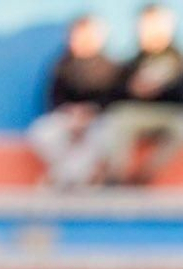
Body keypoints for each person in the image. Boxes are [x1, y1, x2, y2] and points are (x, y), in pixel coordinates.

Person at [98, 3, 183, 186]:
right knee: (116, 119)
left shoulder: (181, 60)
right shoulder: (133, 61)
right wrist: (134, 89)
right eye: (146, 25)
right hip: (138, 113)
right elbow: (114, 96)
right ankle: (117, 174)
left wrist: (161, 88)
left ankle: (146, 174)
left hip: (171, 114)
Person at [28, 15, 120, 192]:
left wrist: (90, 113)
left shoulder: (111, 67)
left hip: (98, 121)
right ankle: (80, 181)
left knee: (106, 135)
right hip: (67, 119)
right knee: (42, 132)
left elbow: (115, 101)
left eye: (90, 35)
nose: (85, 41)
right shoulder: (60, 65)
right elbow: (52, 99)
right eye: (80, 35)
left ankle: (62, 180)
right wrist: (71, 115)